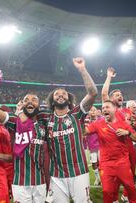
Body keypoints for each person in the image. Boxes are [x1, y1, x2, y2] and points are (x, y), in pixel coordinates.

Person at [0, 70, 48, 203]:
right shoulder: (15, 122)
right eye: (26, 100)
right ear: (22, 105)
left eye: (34, 100)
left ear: (39, 105)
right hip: (20, 183)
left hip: (40, 181)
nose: (30, 102)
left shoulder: (44, 124)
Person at [38, 57, 97, 203]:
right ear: (52, 101)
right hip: (57, 175)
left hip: (79, 172)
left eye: (64, 94)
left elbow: (93, 93)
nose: (60, 95)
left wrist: (82, 69)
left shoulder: (77, 114)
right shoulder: (45, 119)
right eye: (57, 94)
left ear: (69, 100)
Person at [85, 101, 136, 203]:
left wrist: (127, 132)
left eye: (107, 107)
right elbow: (85, 131)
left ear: (114, 109)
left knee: (130, 188)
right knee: (106, 191)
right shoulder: (98, 124)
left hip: (122, 162)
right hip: (106, 164)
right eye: (103, 108)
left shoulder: (123, 124)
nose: (104, 109)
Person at [101, 67, 136, 201]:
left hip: (129, 144)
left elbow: (133, 126)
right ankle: (114, 198)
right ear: (111, 99)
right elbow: (104, 93)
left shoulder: (127, 111)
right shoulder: (112, 110)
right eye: (117, 95)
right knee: (116, 176)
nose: (120, 96)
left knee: (131, 171)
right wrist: (109, 76)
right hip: (116, 147)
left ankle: (125, 195)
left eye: (121, 94)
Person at [84, 106, 101, 186]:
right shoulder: (86, 121)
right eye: (91, 110)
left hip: (101, 145)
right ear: (88, 112)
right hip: (92, 146)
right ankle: (97, 179)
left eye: (94, 110)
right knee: (94, 163)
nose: (93, 111)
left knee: (102, 163)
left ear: (97, 111)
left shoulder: (101, 119)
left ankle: (104, 178)